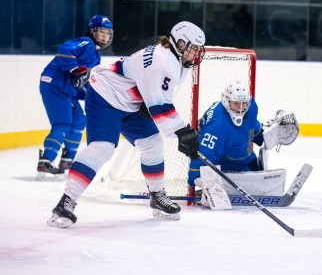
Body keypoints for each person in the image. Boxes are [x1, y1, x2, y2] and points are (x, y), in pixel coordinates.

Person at [47, 21, 205, 228]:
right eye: (192, 48)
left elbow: (154, 95)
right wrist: (182, 133)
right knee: (102, 149)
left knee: (152, 142)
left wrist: (165, 119)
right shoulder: (164, 63)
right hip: (106, 94)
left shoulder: (173, 58)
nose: (195, 54)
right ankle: (65, 202)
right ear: (180, 43)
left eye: (197, 49)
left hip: (129, 101)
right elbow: (160, 106)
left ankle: (157, 195)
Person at [187, 80, 299, 208]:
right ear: (226, 101)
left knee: (255, 173)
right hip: (226, 167)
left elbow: (250, 126)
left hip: (245, 161)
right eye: (236, 104)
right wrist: (202, 179)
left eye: (244, 104)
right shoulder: (218, 125)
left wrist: (266, 135)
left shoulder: (251, 108)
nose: (241, 108)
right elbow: (205, 153)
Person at [37, 15, 113, 180]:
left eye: (107, 33)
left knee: (79, 119)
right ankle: (46, 160)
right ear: (92, 31)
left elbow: (82, 83)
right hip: (53, 84)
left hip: (65, 90)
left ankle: (67, 160)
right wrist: (74, 70)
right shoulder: (86, 43)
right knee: (62, 123)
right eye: (101, 32)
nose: (105, 36)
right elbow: (66, 49)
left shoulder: (96, 56)